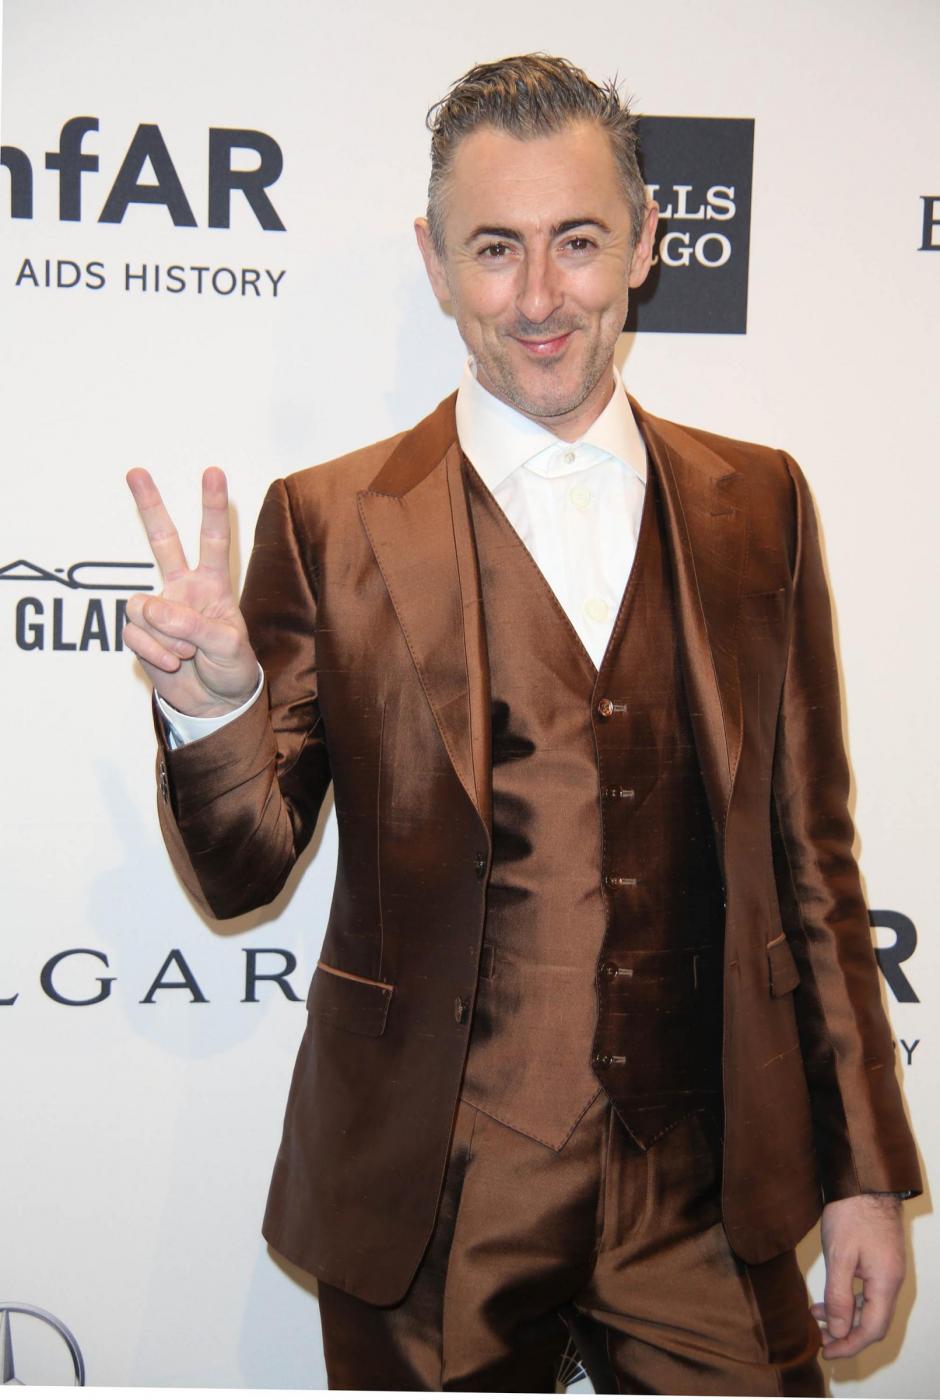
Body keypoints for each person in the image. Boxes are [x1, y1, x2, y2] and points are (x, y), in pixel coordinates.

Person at [124, 54, 921, 1395]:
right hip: (432, 1198)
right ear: (435, 263)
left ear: (647, 244)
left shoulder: (761, 503)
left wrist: (863, 1176)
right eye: (495, 249)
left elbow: (815, 867)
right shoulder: (328, 520)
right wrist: (215, 714)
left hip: (707, 1192)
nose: (541, 298)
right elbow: (242, 873)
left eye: (578, 242)